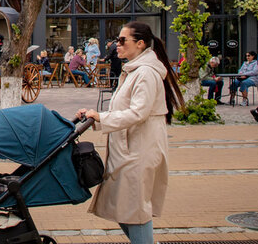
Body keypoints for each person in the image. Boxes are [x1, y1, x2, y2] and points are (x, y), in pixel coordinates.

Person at [76, 21, 183, 244]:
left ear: (140, 44)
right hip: (128, 150)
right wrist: (96, 116)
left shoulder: (145, 73)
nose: (117, 44)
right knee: (125, 208)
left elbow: (138, 112)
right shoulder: (135, 70)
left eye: (123, 40)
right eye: (118, 40)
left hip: (138, 150)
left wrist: (101, 118)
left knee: (134, 211)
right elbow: (125, 109)